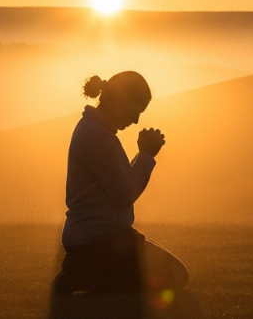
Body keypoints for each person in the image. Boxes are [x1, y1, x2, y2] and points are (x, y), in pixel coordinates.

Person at [53, 71, 189, 296]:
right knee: (175, 276)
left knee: (172, 275)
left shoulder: (98, 131)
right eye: (136, 109)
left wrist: (143, 154)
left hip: (102, 238)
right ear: (120, 100)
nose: (136, 119)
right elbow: (125, 194)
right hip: (98, 240)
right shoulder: (97, 135)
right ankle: (83, 275)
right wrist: (146, 155)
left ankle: (85, 269)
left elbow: (120, 181)